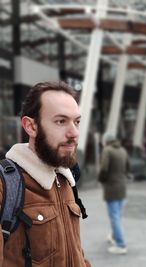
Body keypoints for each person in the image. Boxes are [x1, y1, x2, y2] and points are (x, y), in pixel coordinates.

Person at [0, 81, 91, 267]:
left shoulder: (65, 179)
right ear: (31, 127)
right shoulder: (5, 185)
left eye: (77, 121)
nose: (74, 133)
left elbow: (76, 253)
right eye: (61, 121)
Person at [98, 132, 130, 255]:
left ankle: (121, 244)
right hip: (122, 187)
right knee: (117, 215)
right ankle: (114, 236)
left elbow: (104, 168)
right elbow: (128, 168)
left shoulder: (107, 151)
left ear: (106, 141)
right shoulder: (123, 150)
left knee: (114, 216)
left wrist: (101, 179)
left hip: (111, 187)